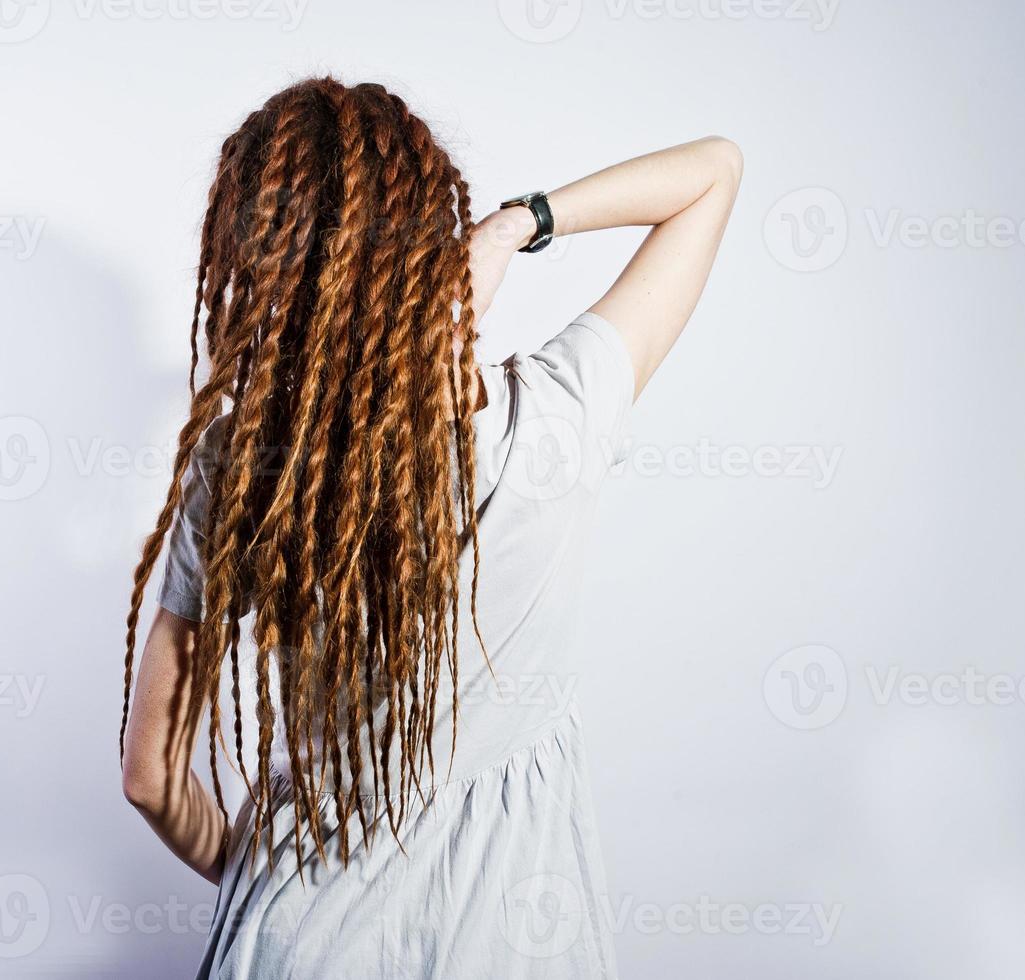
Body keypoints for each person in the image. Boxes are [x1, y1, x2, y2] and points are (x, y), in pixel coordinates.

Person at [118, 75, 741, 978]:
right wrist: (514, 226)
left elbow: (150, 776)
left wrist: (259, 876)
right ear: (433, 252)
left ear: (258, 267)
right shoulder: (554, 421)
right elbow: (713, 172)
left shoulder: (245, 472)